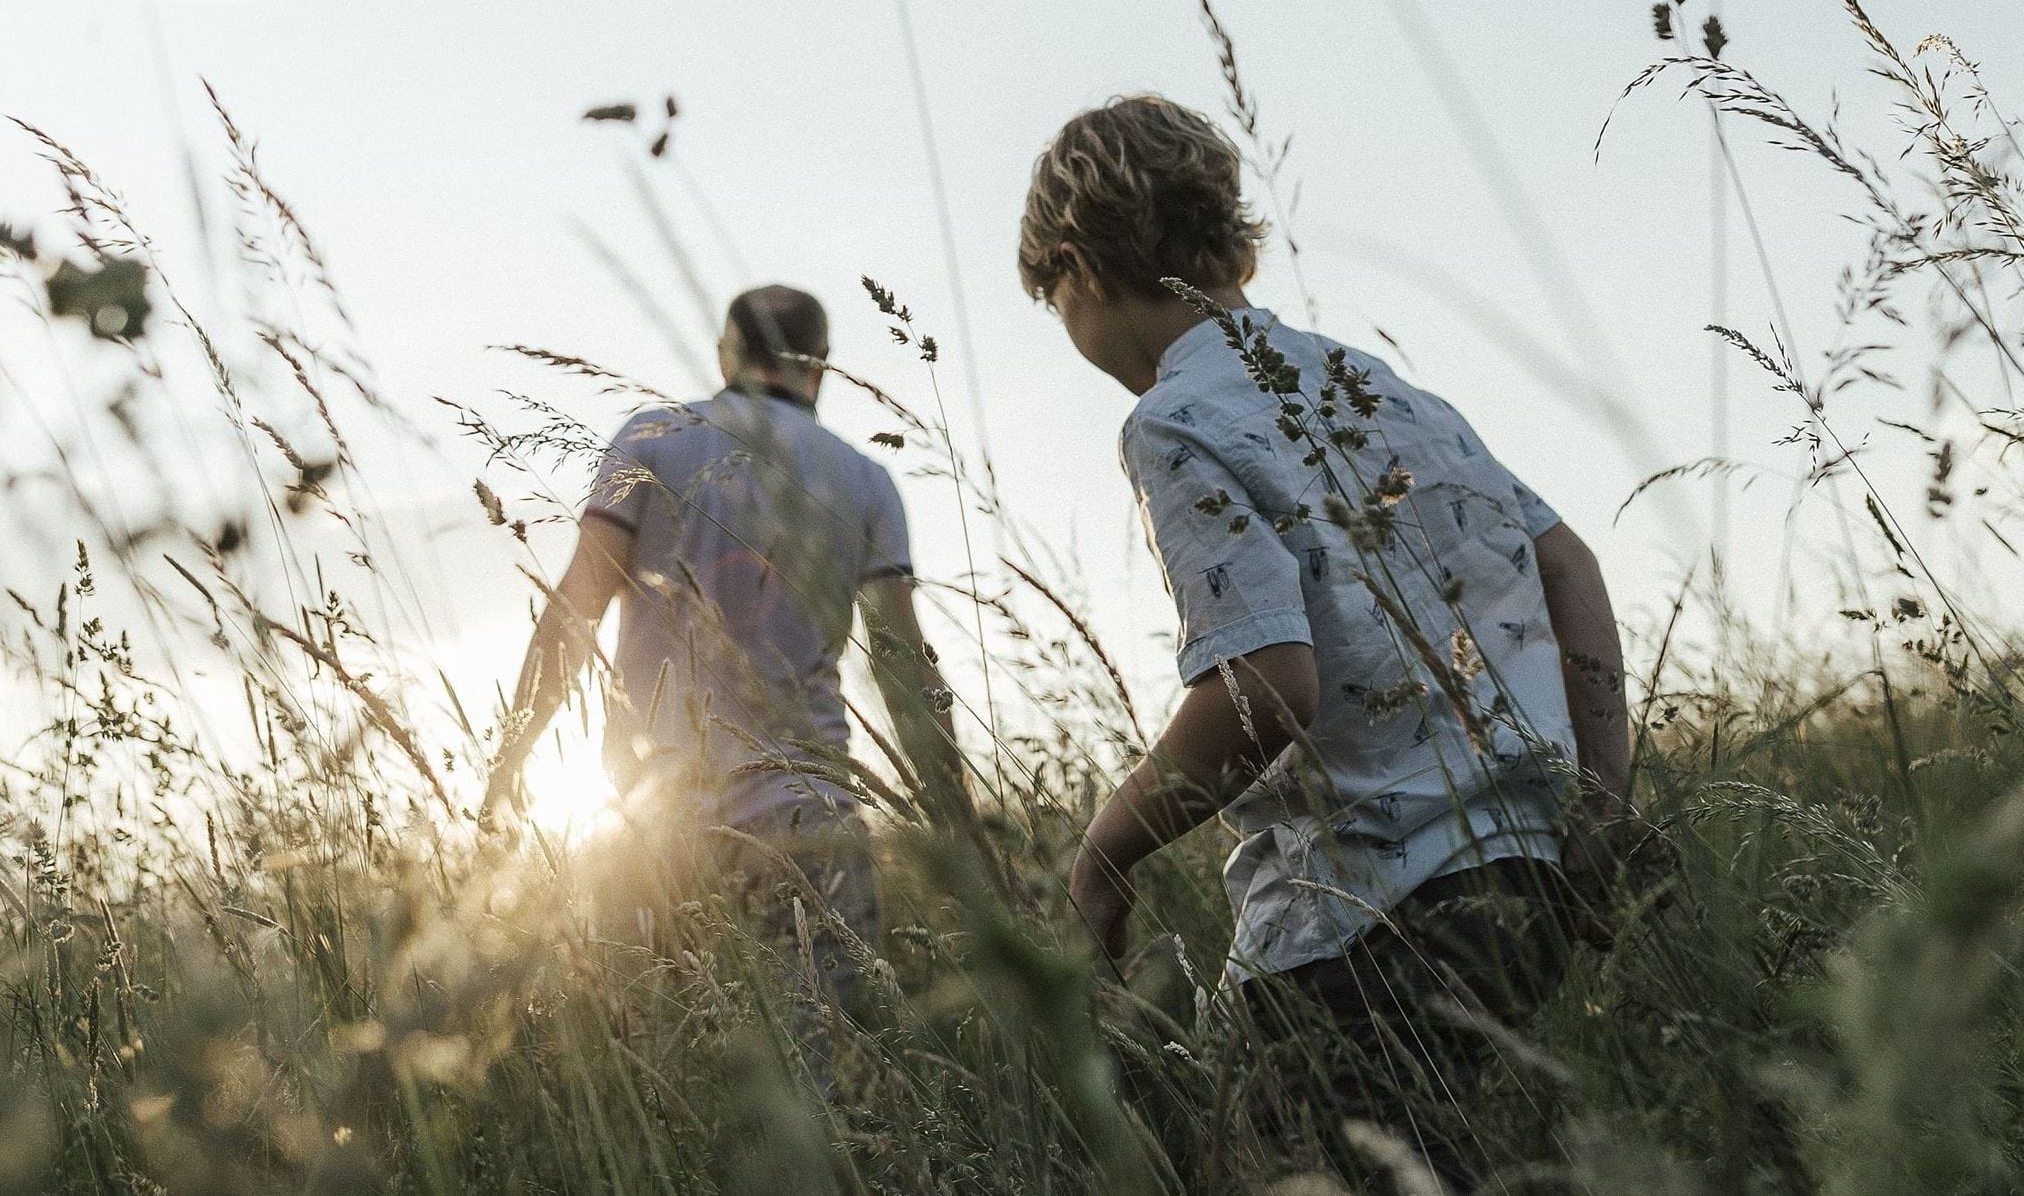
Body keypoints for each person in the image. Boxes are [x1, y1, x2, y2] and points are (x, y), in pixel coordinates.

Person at [1019, 96, 1642, 1187]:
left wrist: (1104, 851)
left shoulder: (1173, 419)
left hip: (1361, 920)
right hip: (1526, 876)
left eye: (1057, 306)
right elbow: (1568, 566)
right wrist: (1600, 805)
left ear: (1075, 268)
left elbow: (1267, 687)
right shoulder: (1376, 385)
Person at [486, 284, 960, 1087]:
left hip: (657, 821)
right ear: (822, 366)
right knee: (819, 1088)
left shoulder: (652, 438)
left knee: (668, 1084)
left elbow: (575, 610)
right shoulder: (866, 480)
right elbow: (904, 666)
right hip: (809, 819)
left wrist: (509, 761)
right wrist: (958, 820)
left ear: (723, 355)